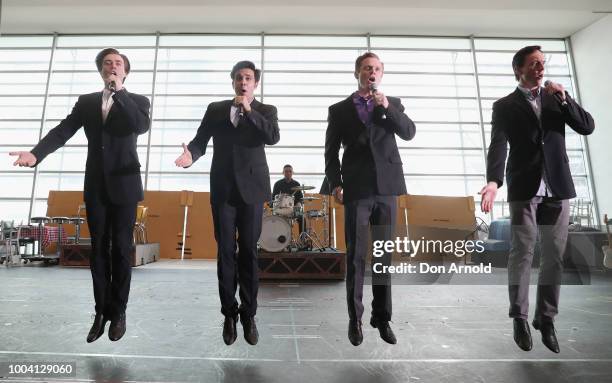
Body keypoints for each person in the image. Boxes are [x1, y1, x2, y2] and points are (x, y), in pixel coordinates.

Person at [10, 47, 151, 343]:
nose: (112, 66)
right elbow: (64, 130)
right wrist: (36, 154)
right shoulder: (87, 102)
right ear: (100, 70)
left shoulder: (137, 101)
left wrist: (119, 93)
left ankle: (119, 311)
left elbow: (140, 126)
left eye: (117, 63)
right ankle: (101, 311)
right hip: (96, 184)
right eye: (107, 63)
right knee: (99, 248)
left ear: (125, 71)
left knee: (120, 249)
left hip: (125, 184)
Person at [480, 45, 595, 353]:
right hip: (523, 187)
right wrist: (493, 182)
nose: (541, 68)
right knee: (522, 253)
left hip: (558, 187)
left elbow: (587, 126)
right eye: (534, 64)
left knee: (554, 256)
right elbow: (498, 146)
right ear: (520, 69)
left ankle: (545, 319)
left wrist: (565, 98)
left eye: (543, 63)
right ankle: (518, 317)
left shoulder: (556, 99)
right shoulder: (504, 105)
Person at [174, 60, 279, 346]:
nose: (242, 82)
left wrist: (248, 110)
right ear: (232, 82)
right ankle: (229, 314)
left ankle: (249, 315)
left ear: (254, 83)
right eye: (238, 78)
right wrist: (190, 156)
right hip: (223, 190)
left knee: (248, 253)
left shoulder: (266, 111)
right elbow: (200, 141)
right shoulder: (216, 109)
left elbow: (273, 137)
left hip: (253, 191)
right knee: (226, 253)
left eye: (247, 78)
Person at [325, 52, 416, 346]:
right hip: (356, 188)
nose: (372, 72)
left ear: (381, 74)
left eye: (376, 68)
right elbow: (330, 153)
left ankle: (383, 317)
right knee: (355, 256)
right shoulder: (339, 110)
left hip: (387, 187)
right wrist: (336, 183)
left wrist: (387, 106)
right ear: (357, 73)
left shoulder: (393, 104)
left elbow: (409, 133)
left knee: (383, 257)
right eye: (367, 68)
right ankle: (356, 319)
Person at [272, 164, 304, 232]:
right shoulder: (277, 184)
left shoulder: (296, 184)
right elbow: (273, 199)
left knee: (302, 218)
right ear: (283, 173)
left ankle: (303, 240)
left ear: (292, 173)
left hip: (293, 210)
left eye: (290, 171)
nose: (288, 173)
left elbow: (300, 198)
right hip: (280, 210)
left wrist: (299, 203)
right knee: (273, 220)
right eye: (286, 171)